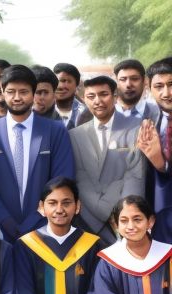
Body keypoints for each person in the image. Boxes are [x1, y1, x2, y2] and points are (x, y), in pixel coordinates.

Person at [0, 64, 75, 241]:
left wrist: (36, 218)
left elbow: (62, 179)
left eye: (23, 92)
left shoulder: (55, 131)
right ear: (2, 91)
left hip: (45, 227)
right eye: (11, 91)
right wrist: (4, 220)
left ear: (33, 93)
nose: (17, 98)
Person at [70, 75, 145, 244]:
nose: (97, 101)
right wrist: (103, 213)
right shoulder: (75, 135)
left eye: (103, 94)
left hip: (126, 220)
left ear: (115, 96)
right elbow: (80, 178)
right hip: (89, 221)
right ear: (84, 99)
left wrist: (125, 216)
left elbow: (135, 175)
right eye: (91, 96)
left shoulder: (136, 127)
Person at [137, 58, 172, 244]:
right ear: (150, 89)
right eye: (159, 86)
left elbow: (161, 165)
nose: (167, 93)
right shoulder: (148, 124)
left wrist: (162, 164)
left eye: (171, 84)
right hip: (158, 225)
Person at [53, 63, 86, 130]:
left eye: (66, 81)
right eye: (56, 81)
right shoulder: (41, 111)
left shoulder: (86, 113)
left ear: (76, 85)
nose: (60, 86)